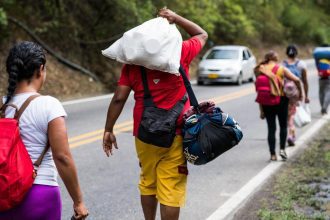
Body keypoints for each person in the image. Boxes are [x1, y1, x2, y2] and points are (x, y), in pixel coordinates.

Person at [102, 8, 207, 220]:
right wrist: (175, 17)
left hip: (144, 134)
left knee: (148, 181)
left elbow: (119, 98)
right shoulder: (181, 52)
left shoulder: (133, 65)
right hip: (176, 134)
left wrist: (108, 129)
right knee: (170, 186)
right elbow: (201, 34)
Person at [0, 41, 88, 220]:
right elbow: (62, 157)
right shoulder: (49, 105)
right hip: (40, 193)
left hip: (4, 194)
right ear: (40, 70)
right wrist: (78, 201)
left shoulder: (2, 106)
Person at [255, 51, 301, 161]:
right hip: (281, 100)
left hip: (266, 102)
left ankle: (272, 154)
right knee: (283, 126)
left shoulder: (260, 69)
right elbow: (297, 79)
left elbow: (260, 91)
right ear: (274, 58)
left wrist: (261, 110)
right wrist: (299, 93)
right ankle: (282, 150)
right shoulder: (281, 69)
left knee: (271, 128)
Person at [283, 45, 309, 146]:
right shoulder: (301, 64)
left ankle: (287, 134)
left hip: (284, 93)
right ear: (296, 53)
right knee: (292, 115)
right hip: (295, 93)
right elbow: (305, 81)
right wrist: (305, 95)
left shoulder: (282, 65)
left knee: (286, 114)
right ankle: (291, 135)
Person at [313, 44, 330, 115]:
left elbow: (317, 65)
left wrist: (320, 72)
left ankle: (322, 106)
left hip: (321, 77)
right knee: (328, 92)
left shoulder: (318, 56)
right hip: (329, 76)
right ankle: (325, 107)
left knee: (321, 92)